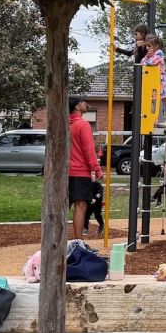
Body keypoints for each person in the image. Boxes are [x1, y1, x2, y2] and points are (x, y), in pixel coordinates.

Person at [69, 95, 103, 240]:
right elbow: (88, 149)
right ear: (77, 107)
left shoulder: (65, 124)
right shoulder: (83, 125)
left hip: (66, 171)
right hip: (80, 171)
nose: (86, 104)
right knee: (80, 207)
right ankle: (78, 242)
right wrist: (96, 168)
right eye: (83, 102)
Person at [141, 34, 166, 128]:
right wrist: (147, 57)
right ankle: (154, 120)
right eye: (146, 46)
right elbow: (143, 63)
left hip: (161, 81)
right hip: (153, 82)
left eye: (149, 46)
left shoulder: (159, 53)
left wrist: (148, 58)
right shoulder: (149, 55)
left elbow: (151, 63)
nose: (147, 48)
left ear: (156, 46)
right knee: (153, 101)